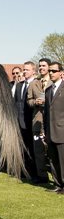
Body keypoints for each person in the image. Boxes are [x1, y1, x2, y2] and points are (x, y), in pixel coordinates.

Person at [25, 60, 51, 183]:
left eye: (43, 66)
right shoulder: (34, 83)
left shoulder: (55, 82)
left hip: (52, 121)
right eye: (40, 66)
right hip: (37, 121)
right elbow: (29, 100)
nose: (41, 68)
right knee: (38, 151)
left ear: (49, 67)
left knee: (53, 151)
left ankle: (59, 179)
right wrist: (35, 102)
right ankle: (42, 176)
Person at [44, 62, 64, 194]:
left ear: (61, 72)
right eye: (50, 70)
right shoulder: (48, 90)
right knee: (53, 160)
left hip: (62, 131)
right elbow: (46, 112)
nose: (51, 73)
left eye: (54, 71)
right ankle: (57, 184)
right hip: (50, 131)